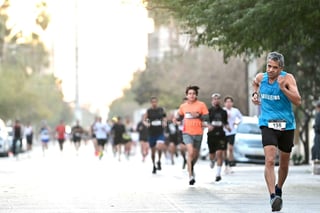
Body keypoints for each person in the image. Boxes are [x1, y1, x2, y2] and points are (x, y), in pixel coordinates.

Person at [252, 51, 301, 212]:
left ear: (281, 68)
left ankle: (279, 187)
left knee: (284, 163)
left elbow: (298, 101)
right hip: (267, 123)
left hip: (286, 125)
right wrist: (254, 94)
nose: (271, 70)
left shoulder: (288, 79)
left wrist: (283, 88)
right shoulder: (261, 78)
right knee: (270, 160)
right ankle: (273, 196)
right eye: (269, 66)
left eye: (274, 67)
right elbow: (255, 82)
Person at [174, 86, 209, 185]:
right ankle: (190, 176)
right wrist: (176, 120)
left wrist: (198, 116)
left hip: (198, 132)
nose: (191, 95)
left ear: (196, 95)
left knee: (195, 155)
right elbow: (179, 117)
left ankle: (191, 167)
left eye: (193, 93)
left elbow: (207, 118)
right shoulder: (183, 106)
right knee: (190, 152)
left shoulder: (201, 105)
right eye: (189, 94)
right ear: (187, 95)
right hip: (187, 132)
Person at [207, 93, 231, 182]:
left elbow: (225, 122)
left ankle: (218, 174)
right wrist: (208, 126)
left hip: (221, 134)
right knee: (212, 154)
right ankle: (212, 160)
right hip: (211, 135)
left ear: (220, 100)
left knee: (220, 153)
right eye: (214, 99)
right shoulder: (208, 111)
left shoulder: (223, 112)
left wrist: (228, 127)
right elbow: (205, 122)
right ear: (212, 100)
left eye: (218, 99)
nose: (216, 100)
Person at [144, 96, 167, 174]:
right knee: (153, 152)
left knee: (159, 147)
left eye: (155, 102)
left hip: (160, 132)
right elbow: (144, 120)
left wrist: (164, 122)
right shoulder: (149, 111)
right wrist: (146, 123)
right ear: (151, 103)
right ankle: (154, 165)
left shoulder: (161, 110)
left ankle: (159, 161)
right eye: (152, 102)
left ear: (157, 102)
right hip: (152, 133)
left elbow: (164, 117)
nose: (154, 103)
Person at [223, 96, 243, 171]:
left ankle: (231, 163)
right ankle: (226, 163)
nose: (228, 103)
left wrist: (236, 123)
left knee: (230, 148)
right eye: (227, 102)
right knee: (224, 149)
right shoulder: (223, 110)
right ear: (224, 103)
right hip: (223, 132)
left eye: (230, 102)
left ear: (232, 103)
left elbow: (241, 118)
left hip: (232, 131)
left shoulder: (235, 111)